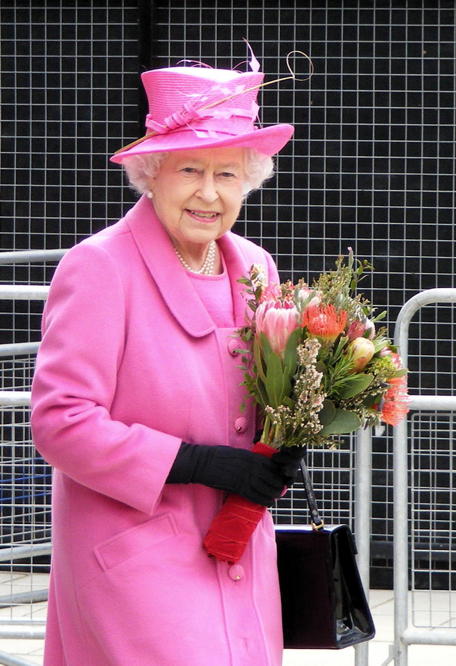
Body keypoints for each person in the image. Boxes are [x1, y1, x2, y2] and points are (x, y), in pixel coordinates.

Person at [31, 59, 304, 665]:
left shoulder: (257, 268)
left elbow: (265, 394)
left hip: (236, 553)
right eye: (190, 169)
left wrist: (285, 435)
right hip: (136, 562)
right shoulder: (101, 267)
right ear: (152, 174)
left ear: (248, 182)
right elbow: (62, 421)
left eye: (228, 174)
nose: (210, 193)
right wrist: (194, 462)